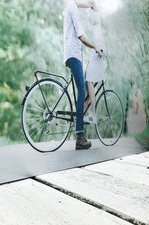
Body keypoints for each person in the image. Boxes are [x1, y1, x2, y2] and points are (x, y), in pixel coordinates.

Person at [64, 0, 102, 150]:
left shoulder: (72, 6)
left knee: (84, 89)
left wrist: (92, 5)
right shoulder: (73, 8)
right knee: (81, 92)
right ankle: (80, 137)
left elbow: (86, 3)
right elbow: (80, 35)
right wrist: (95, 47)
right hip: (74, 55)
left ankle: (81, 119)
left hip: (73, 54)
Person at [84, 1, 106, 124]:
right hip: (96, 44)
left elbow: (84, 3)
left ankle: (94, 115)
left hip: (99, 45)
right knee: (86, 78)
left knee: (90, 80)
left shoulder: (92, 3)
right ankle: (84, 113)